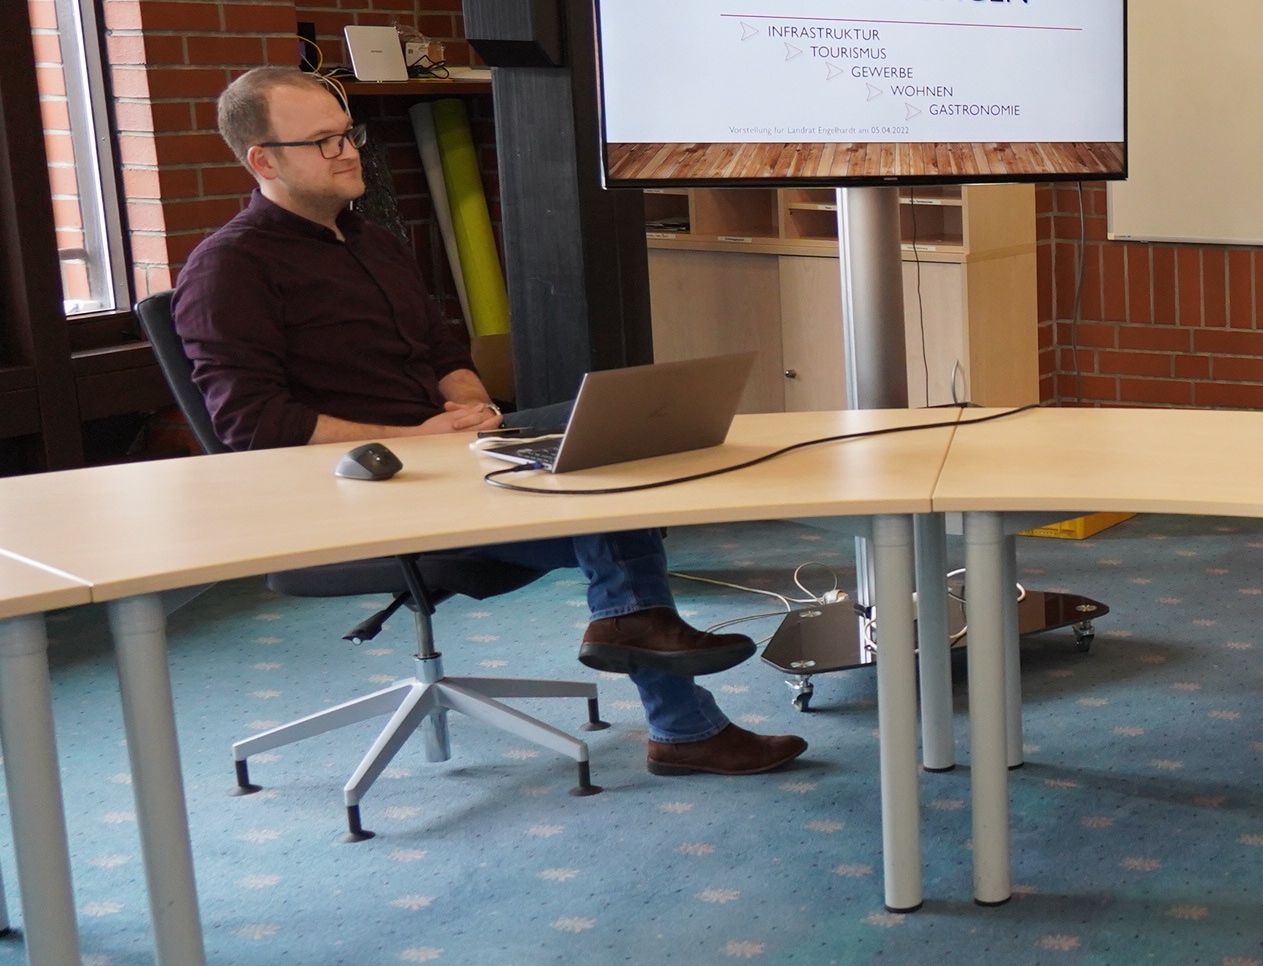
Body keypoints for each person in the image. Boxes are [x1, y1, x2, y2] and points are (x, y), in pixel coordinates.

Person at [170, 66, 808, 778]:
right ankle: (669, 698)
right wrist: (423, 439)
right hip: (359, 492)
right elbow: (253, 425)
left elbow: (444, 352)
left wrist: (475, 409)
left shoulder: (373, 243)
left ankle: (642, 641)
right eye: (324, 142)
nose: (348, 152)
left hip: (450, 458)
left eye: (349, 134)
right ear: (263, 161)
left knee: (608, 427)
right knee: (598, 489)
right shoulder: (228, 269)